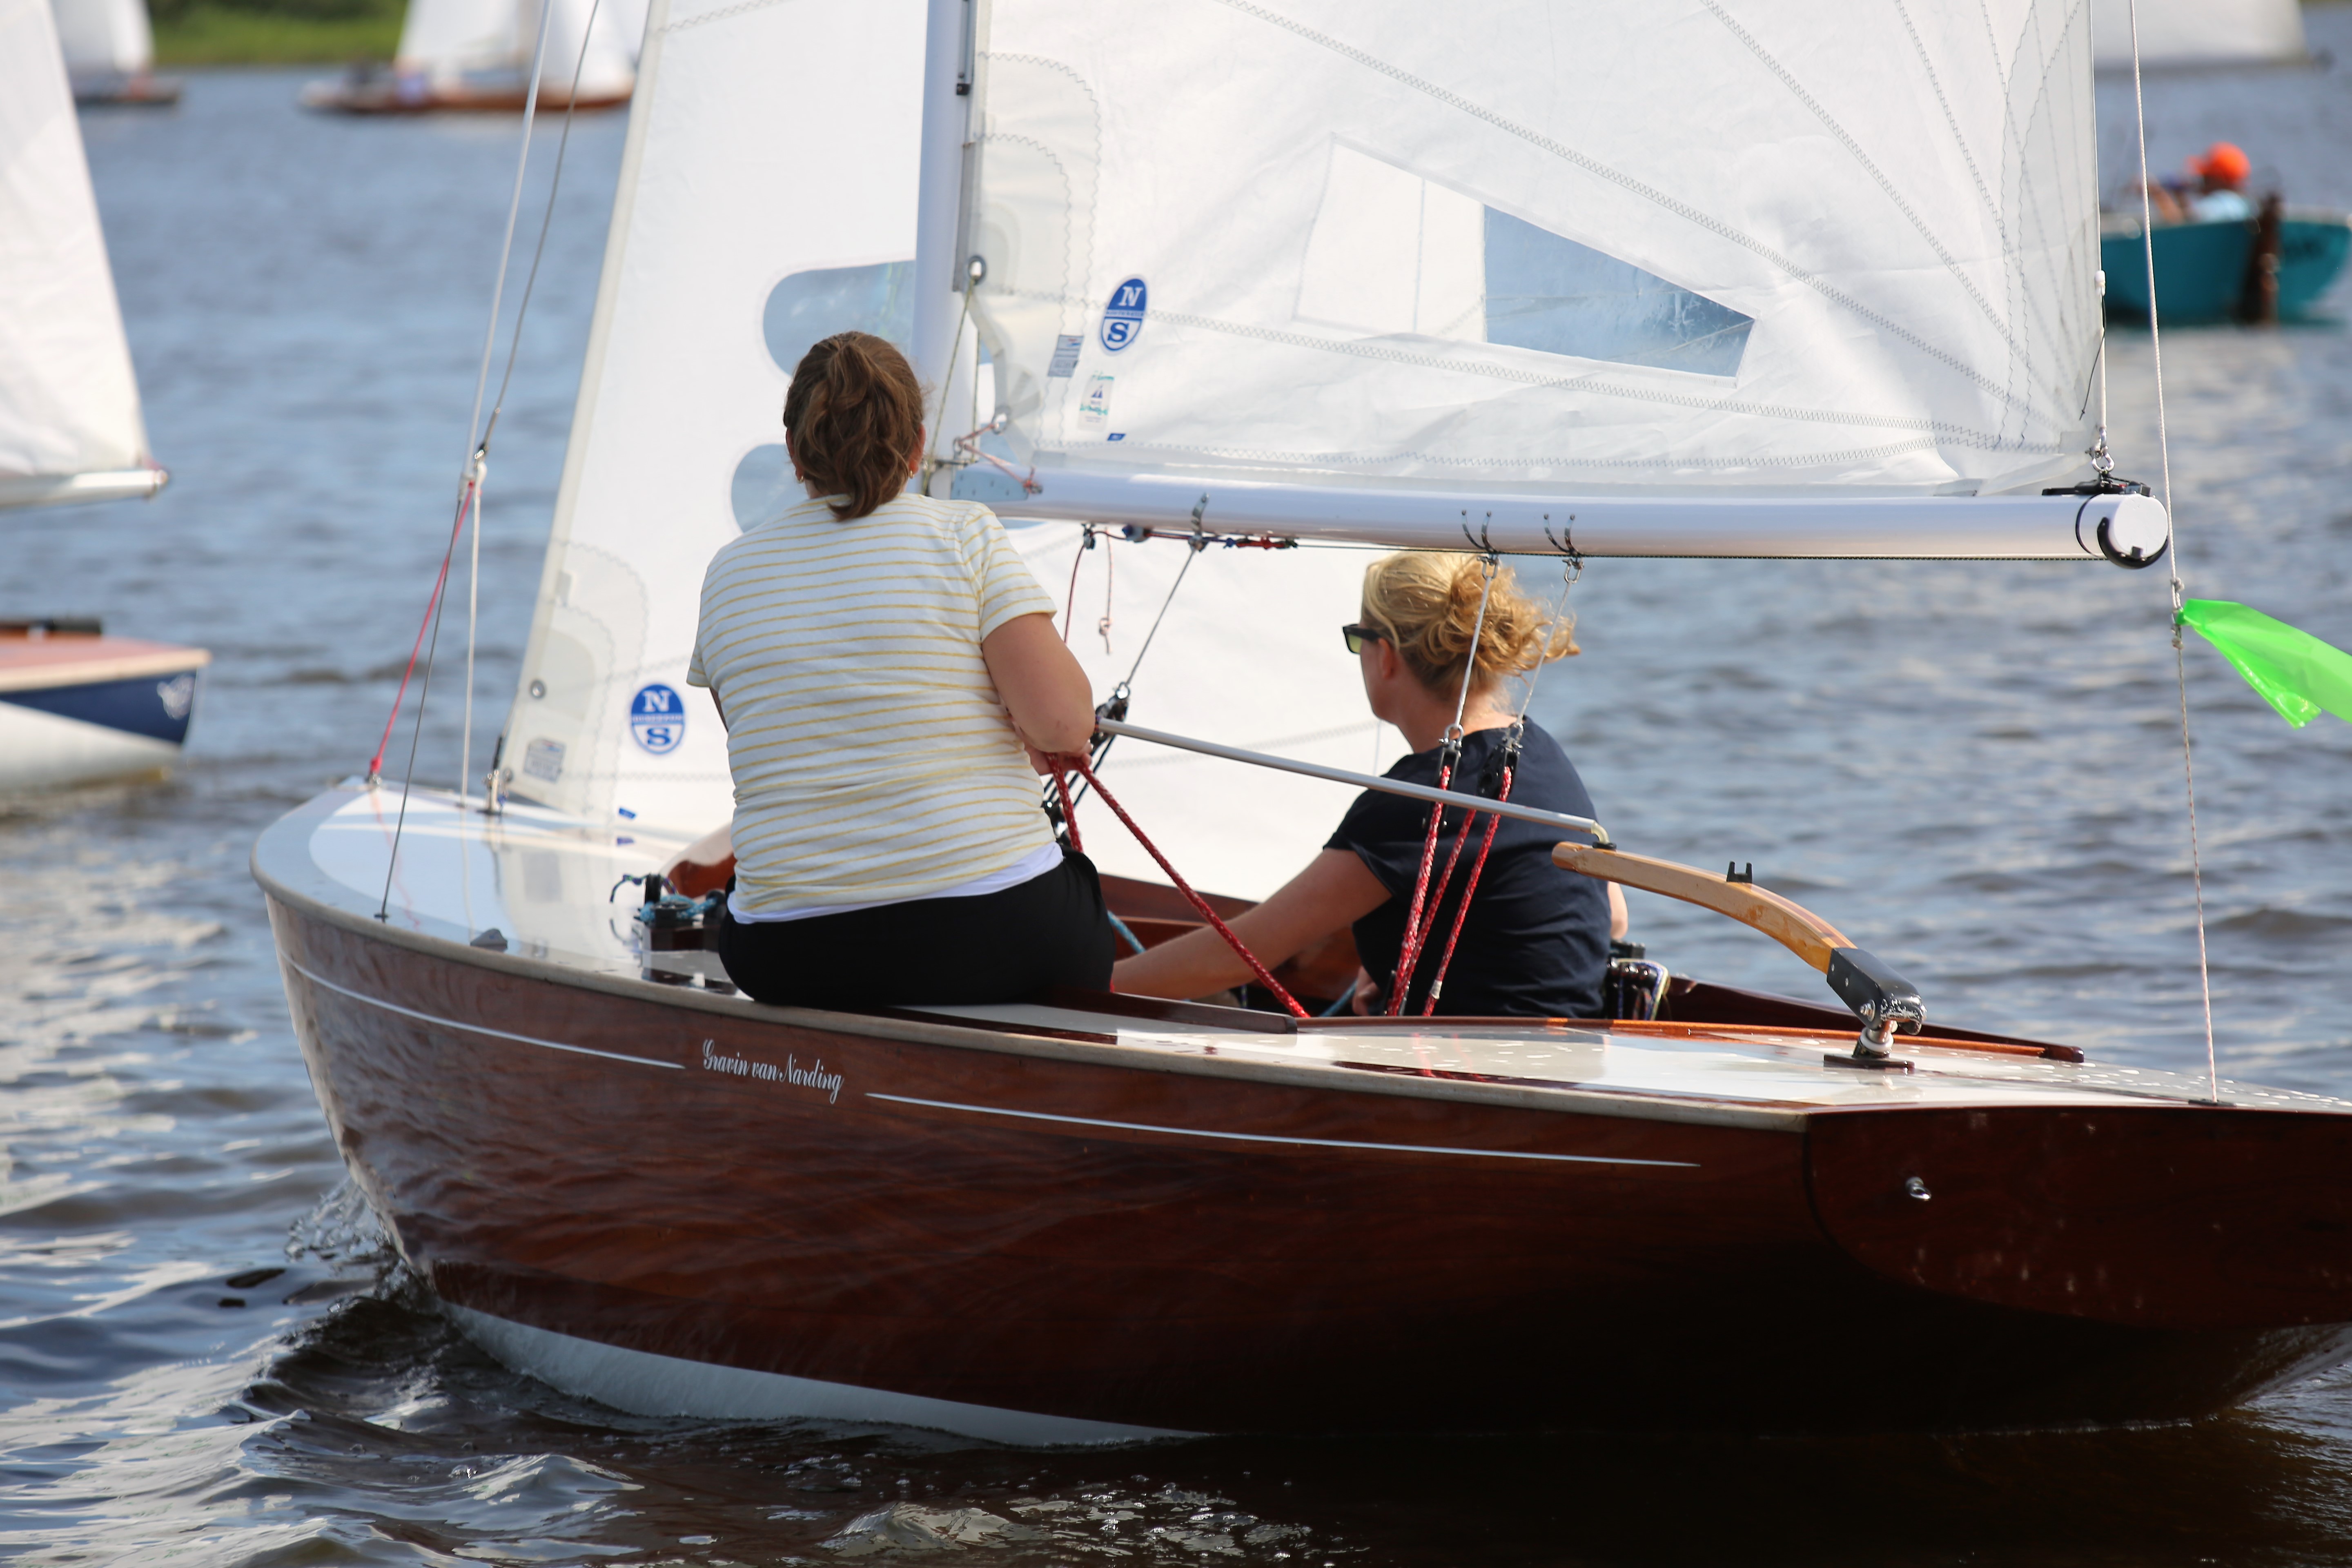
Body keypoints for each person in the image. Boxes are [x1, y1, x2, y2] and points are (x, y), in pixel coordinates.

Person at [688, 330, 1114, 1008]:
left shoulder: (729, 574)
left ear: (796, 453)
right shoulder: (965, 536)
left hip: (786, 954)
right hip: (993, 934)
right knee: (1082, 910)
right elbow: (1065, 726)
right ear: (918, 446)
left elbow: (767, 728)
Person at [1111, 552, 1627, 1018]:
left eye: (1358, 638)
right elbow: (1613, 920)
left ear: (1386, 656)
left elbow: (1244, 953)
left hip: (1476, 1083)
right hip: (1572, 1059)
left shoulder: (1417, 802)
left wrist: (1087, 988)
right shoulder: (1541, 753)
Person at [2146, 142, 2254, 224]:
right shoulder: (2243, 204)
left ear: (2219, 180)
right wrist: (2179, 195)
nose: (2202, 181)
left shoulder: (2221, 204)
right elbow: (2189, 219)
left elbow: (2181, 223)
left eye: (2206, 177)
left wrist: (2157, 193)